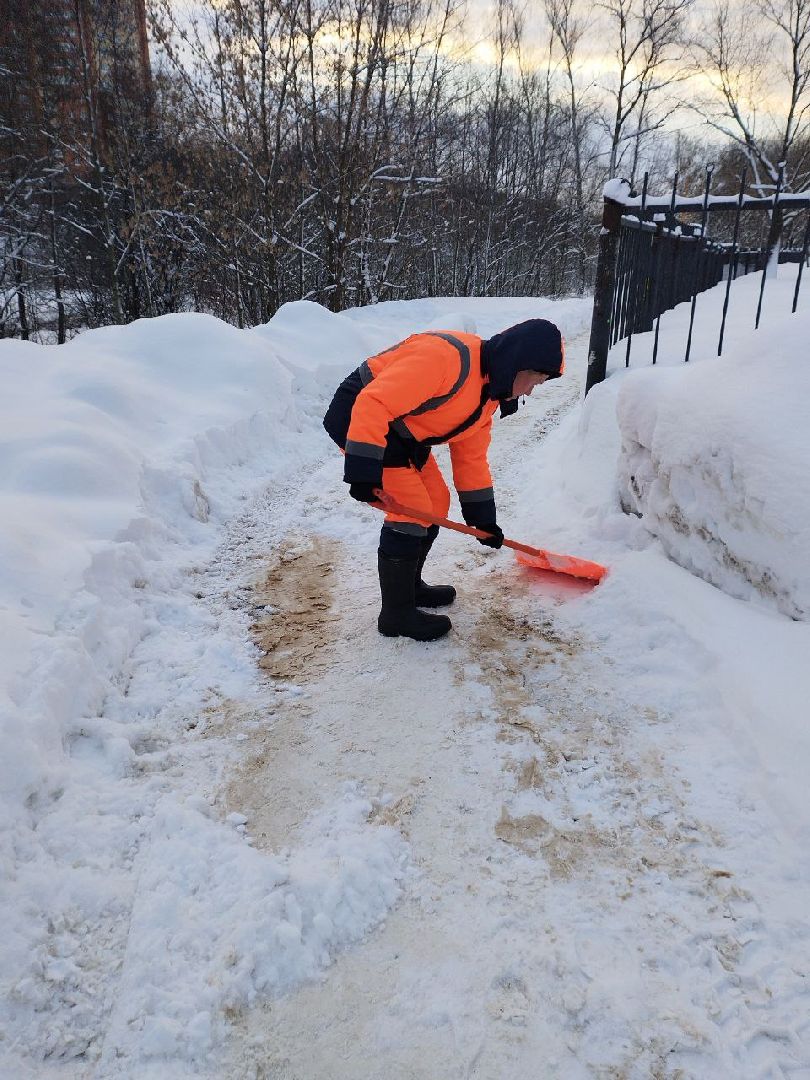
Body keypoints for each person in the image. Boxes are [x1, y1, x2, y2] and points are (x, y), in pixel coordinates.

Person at [323, 319, 565, 642]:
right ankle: (395, 614)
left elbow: (471, 460)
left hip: (404, 431)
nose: (532, 390)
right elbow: (374, 402)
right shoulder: (447, 359)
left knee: (436, 503)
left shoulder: (487, 399)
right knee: (411, 510)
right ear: (519, 364)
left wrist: (484, 522)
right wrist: (363, 469)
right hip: (360, 416)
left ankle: (409, 589)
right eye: (535, 380)